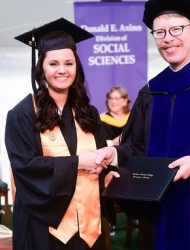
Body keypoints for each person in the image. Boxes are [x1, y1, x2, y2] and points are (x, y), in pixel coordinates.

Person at [95, 0, 190, 250]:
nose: (168, 39)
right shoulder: (152, 91)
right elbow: (137, 146)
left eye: (176, 29)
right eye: (160, 32)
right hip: (158, 216)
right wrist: (114, 153)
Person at [4, 18, 118, 250]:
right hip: (45, 228)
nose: (62, 70)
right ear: (41, 68)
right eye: (53, 64)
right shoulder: (22, 114)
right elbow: (25, 168)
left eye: (69, 63)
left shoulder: (89, 113)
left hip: (89, 226)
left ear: (77, 67)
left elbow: (99, 161)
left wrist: (106, 172)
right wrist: (77, 163)